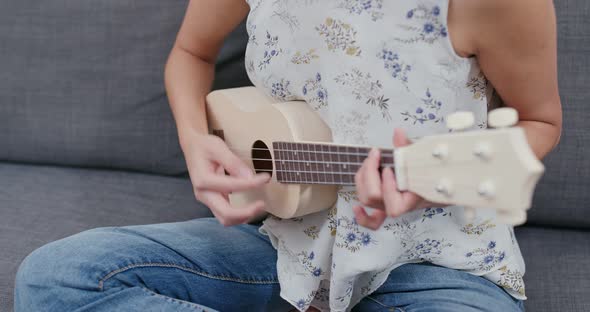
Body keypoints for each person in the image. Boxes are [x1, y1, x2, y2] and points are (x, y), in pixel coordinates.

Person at [15, 0, 562, 311]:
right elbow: (190, 52)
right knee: (59, 277)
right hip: (286, 250)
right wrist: (194, 138)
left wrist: (429, 178)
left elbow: (540, 124)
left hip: (436, 267)